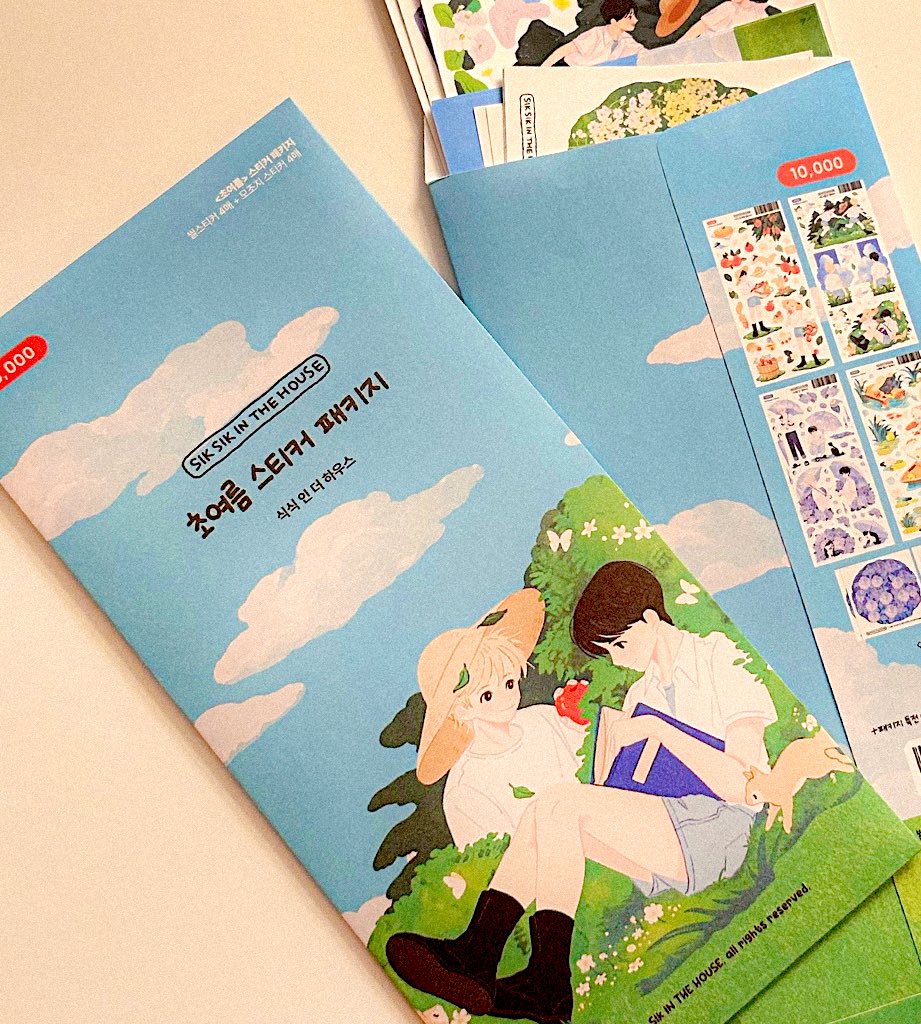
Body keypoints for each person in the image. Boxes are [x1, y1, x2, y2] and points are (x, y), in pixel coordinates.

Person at [387, 562, 777, 1023]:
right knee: (545, 813)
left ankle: (515, 966)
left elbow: (748, 788)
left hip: (720, 830)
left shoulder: (720, 659)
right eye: (608, 651)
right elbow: (628, 792)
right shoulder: (641, 693)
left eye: (619, 645)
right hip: (671, 837)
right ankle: (516, 971)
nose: (616, 660)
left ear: (651, 619)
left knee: (558, 804)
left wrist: (658, 731)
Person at [412, 588, 586, 850]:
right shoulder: (464, 789)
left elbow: (594, 761)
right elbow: (498, 859)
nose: (507, 697)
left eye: (509, 683)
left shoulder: (543, 718)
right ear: (462, 710)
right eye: (487, 695)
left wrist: (583, 717)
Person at [541, 0, 644, 67]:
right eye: (630, 17)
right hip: (575, 73)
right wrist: (542, 71)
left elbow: (644, 54)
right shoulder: (596, 34)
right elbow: (564, 50)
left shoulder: (627, 40)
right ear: (613, 20)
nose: (635, 20)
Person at [681, 0, 776, 39]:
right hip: (708, 54)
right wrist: (677, 48)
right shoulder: (728, 7)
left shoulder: (760, 11)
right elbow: (698, 28)